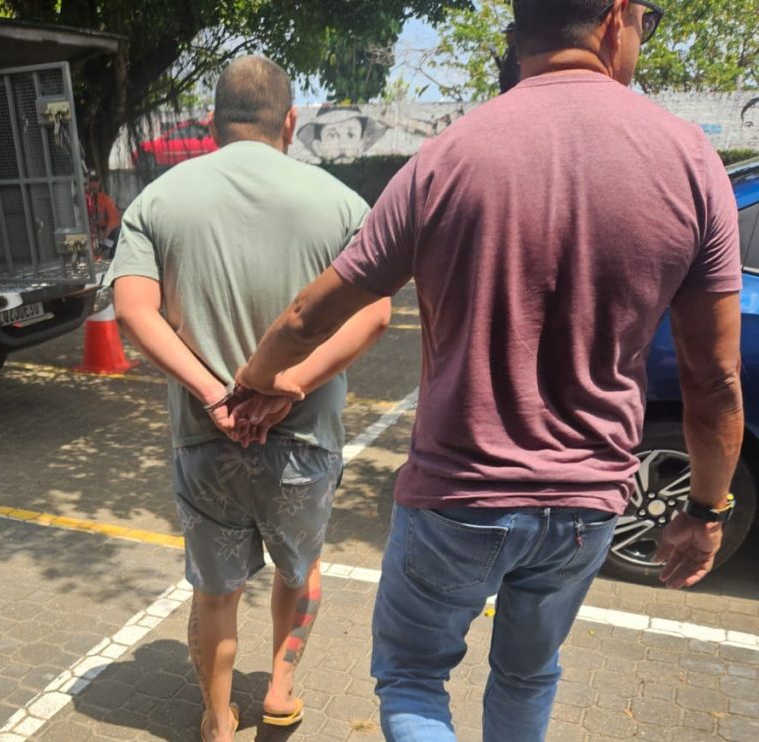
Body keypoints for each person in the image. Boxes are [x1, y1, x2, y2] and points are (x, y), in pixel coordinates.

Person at [237, 2, 742, 741]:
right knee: (529, 675)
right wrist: (705, 512)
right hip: (586, 504)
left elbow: (309, 316)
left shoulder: (447, 158)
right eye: (648, 18)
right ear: (615, 18)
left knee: (413, 680)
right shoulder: (691, 161)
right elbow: (714, 381)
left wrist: (257, 381)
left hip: (458, 494)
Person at [107, 56, 391, 741]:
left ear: (212, 123)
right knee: (300, 570)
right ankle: (281, 690)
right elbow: (376, 313)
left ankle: (217, 717)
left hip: (206, 438)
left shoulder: (158, 202)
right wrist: (295, 383)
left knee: (215, 589)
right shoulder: (342, 204)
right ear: (290, 122)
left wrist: (212, 391)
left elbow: (132, 309)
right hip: (306, 441)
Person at [85, 169, 120, 256]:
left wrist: (107, 231)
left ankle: (109, 254)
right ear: (87, 182)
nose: (94, 184)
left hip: (101, 233)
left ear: (99, 182)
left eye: (96, 181)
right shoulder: (81, 199)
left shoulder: (104, 199)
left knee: (117, 232)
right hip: (88, 233)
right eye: (91, 181)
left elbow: (114, 217)